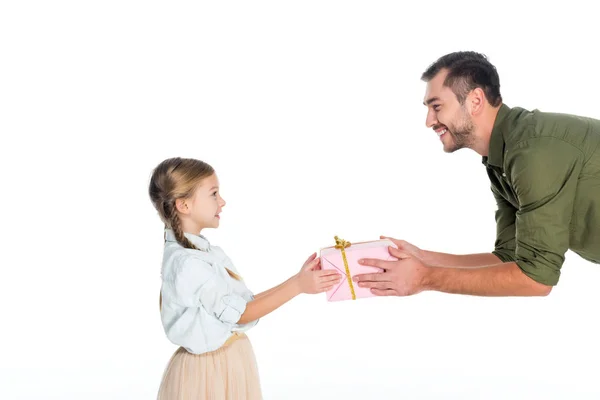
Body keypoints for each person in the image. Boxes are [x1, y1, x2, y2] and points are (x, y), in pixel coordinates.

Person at [353, 51, 600, 297]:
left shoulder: (531, 151)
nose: (429, 121)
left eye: (436, 106)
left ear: (475, 101)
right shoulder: (501, 160)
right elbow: (508, 257)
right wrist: (423, 258)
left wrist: (424, 277)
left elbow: (536, 279)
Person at [148, 157, 342, 399]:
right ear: (184, 205)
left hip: (225, 362)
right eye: (214, 194)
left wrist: (298, 280)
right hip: (209, 373)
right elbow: (241, 314)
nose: (222, 201)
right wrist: (297, 285)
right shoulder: (189, 264)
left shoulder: (199, 254)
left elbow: (243, 305)